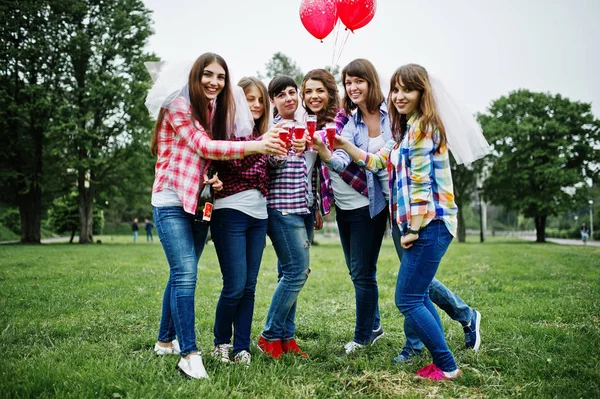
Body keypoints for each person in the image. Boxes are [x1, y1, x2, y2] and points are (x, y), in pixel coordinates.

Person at [330, 63, 489, 380]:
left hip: (429, 223)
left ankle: (447, 366)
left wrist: (412, 229)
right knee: (417, 294)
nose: (400, 96)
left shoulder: (423, 131)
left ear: (422, 93)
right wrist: (339, 145)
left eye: (408, 90)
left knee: (408, 298)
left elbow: (419, 184)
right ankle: (447, 355)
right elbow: (376, 161)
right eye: (397, 89)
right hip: (412, 221)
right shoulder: (405, 130)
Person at [148, 53, 286, 379]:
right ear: (195, 76)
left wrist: (213, 177)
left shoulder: (212, 110)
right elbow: (205, 146)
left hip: (198, 203)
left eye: (220, 77)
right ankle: (189, 354)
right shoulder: (178, 105)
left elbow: (206, 159)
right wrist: (258, 146)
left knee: (183, 270)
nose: (214, 82)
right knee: (185, 274)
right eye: (208, 75)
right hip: (170, 200)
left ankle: (165, 340)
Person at [311, 60, 391, 355]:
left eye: (358, 81)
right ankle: (374, 326)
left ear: (371, 81)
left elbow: (373, 160)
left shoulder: (390, 115)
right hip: (346, 209)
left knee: (364, 273)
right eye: (348, 82)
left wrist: (337, 148)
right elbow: (343, 160)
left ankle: (363, 337)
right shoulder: (352, 119)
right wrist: (327, 153)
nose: (353, 87)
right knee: (358, 271)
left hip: (374, 204)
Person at [209, 77, 286, 366]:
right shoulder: (227, 131)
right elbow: (235, 161)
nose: (255, 104)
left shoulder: (264, 133)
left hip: (259, 214)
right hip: (230, 212)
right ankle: (220, 343)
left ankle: (242, 346)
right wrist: (262, 145)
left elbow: (272, 165)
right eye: (248, 98)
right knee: (234, 285)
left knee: (250, 286)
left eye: (259, 100)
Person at [257, 75, 328, 359]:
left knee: (287, 274)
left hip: (304, 209)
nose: (289, 98)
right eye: (281, 95)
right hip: (282, 209)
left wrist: (317, 206)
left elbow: (311, 172)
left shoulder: (305, 127)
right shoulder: (272, 130)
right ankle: (269, 335)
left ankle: (287, 338)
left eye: (292, 92)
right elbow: (269, 162)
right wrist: (285, 146)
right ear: (272, 101)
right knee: (298, 272)